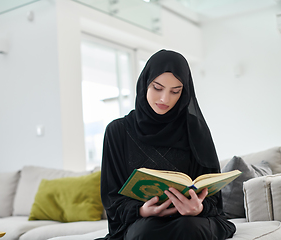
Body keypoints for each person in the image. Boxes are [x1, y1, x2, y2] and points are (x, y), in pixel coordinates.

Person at [98, 50, 236, 240]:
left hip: (191, 220)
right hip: (142, 222)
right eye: (157, 87)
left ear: (184, 92)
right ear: (145, 83)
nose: (165, 99)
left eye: (175, 91)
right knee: (144, 233)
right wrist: (142, 211)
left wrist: (199, 207)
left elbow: (213, 198)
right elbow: (112, 198)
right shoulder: (117, 131)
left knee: (190, 228)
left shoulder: (194, 129)